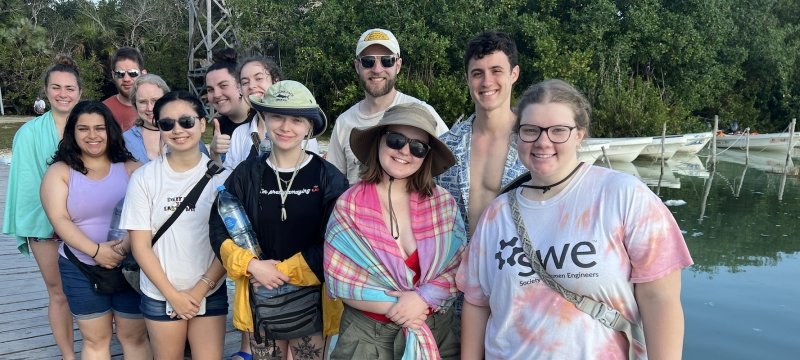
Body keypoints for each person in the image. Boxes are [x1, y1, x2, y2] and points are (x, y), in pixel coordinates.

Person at [457, 79, 694, 359]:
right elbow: (477, 303)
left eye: (558, 130)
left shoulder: (624, 195)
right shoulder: (496, 214)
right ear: (517, 135)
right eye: (531, 130)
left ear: (579, 134)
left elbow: (660, 299)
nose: (543, 142)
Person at [209, 80, 348, 360]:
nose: (286, 127)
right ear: (264, 119)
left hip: (313, 301)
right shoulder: (245, 174)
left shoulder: (329, 177)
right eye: (277, 117)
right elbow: (219, 230)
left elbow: (339, 240)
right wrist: (252, 266)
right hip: (261, 298)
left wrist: (281, 272)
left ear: (309, 127)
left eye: (297, 120)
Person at [325, 103, 465, 359]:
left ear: (427, 156)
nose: (404, 151)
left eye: (418, 147)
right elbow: (341, 282)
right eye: (396, 140)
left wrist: (422, 300)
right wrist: (404, 307)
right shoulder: (349, 205)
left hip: (439, 334)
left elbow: (458, 268)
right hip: (366, 339)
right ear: (379, 140)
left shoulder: (443, 204)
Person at [120, 91, 229, 359]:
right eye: (167, 124)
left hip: (210, 288)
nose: (177, 130)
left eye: (186, 122)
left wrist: (200, 289)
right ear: (159, 128)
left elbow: (228, 243)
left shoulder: (224, 179)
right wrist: (173, 296)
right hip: (160, 292)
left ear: (202, 124)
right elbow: (140, 246)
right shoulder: (144, 178)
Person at [40, 101, 150, 359]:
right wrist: (96, 251)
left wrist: (122, 249)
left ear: (110, 130)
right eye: (83, 129)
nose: (92, 135)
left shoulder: (132, 169)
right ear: (73, 133)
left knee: (134, 337)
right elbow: (59, 219)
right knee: (96, 339)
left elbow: (149, 217)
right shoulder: (59, 172)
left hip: (130, 265)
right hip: (80, 267)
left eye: (99, 128)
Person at [2, 54, 83, 360]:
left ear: (79, 91)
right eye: (56, 87)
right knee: (58, 292)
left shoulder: (90, 126)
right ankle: (67, 355)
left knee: (97, 289)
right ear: (46, 91)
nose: (63, 93)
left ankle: (96, 346)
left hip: (89, 223)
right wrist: (50, 222)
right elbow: (25, 187)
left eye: (70, 88)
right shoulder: (28, 134)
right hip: (44, 226)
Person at [327, 28, 449, 185]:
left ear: (398, 65)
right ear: (357, 66)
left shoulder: (422, 112)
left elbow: (449, 170)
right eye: (368, 61)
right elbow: (334, 184)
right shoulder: (343, 123)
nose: (377, 69)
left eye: (387, 61)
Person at [437, 30, 527, 238]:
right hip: (458, 267)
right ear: (467, 79)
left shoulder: (536, 143)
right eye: (477, 73)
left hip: (515, 267)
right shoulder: (446, 147)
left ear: (514, 74)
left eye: (496, 71)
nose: (487, 82)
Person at [223, 56, 320, 172]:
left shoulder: (299, 131)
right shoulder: (240, 133)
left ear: (276, 81)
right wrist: (214, 155)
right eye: (245, 82)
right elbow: (228, 176)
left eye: (259, 78)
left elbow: (313, 172)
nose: (251, 86)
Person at [123, 74, 209, 163]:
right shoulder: (124, 140)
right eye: (142, 102)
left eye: (155, 100)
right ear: (135, 104)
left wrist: (215, 153)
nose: (150, 108)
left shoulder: (185, 135)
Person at [206, 48, 255, 163]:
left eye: (223, 86)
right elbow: (219, 175)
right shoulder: (220, 125)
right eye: (210, 89)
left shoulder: (261, 121)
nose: (216, 95)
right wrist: (214, 153)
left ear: (240, 86)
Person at [103, 47, 145, 131]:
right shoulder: (103, 109)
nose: (126, 79)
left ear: (143, 74)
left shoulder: (155, 108)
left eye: (133, 73)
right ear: (113, 75)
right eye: (120, 73)